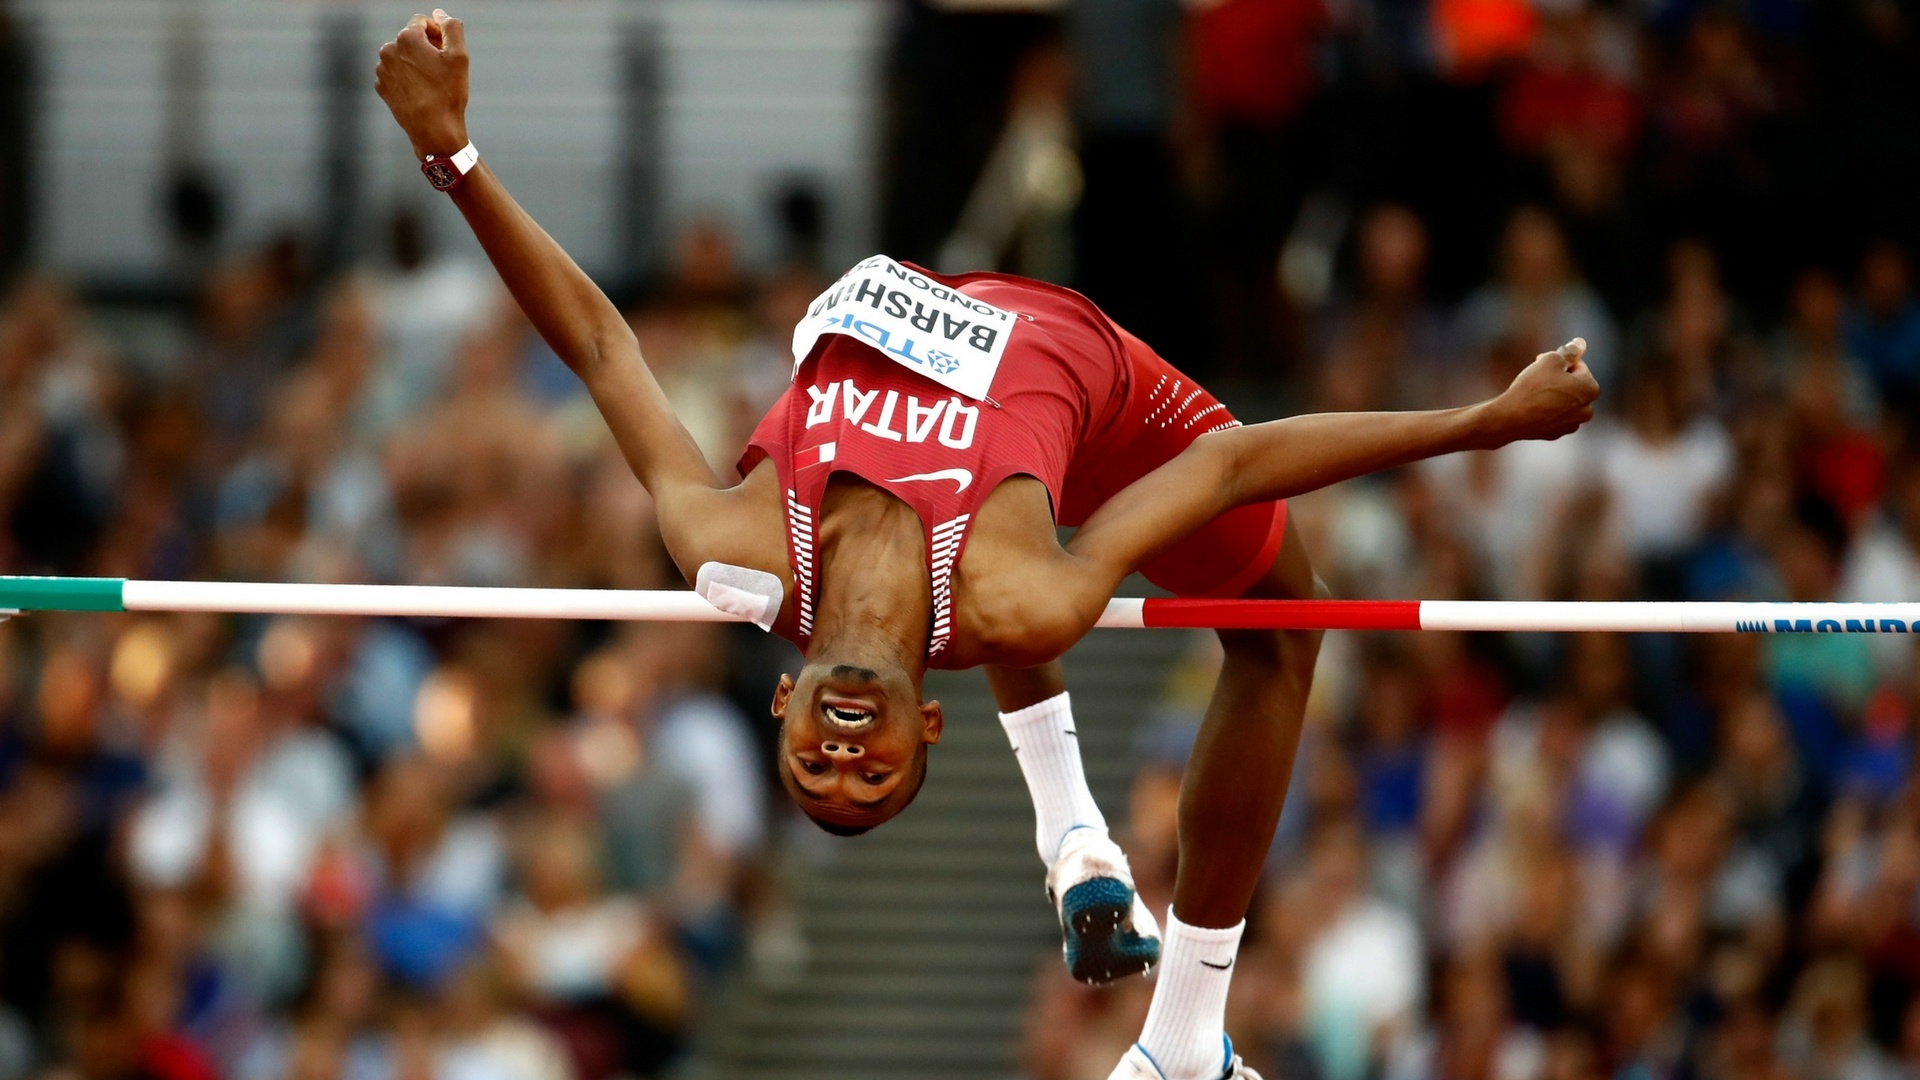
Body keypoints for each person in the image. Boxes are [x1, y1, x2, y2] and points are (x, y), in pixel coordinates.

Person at [375, 14, 1599, 1079]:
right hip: (1104, 394)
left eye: (817, 769)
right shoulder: (1025, 595)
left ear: (785, 702)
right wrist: (1479, 423)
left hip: (914, 301)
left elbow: (600, 346)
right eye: (872, 777)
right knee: (1284, 626)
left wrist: (453, 153)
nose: (844, 758)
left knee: (967, 591)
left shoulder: (734, 544)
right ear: (929, 730)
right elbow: (1225, 462)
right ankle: (1180, 1022)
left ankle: (1072, 839)